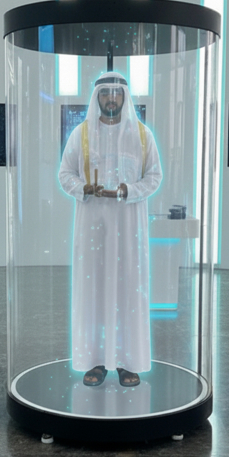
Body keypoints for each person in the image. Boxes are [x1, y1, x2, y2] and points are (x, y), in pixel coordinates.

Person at [59, 71, 162, 387]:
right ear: (97, 97)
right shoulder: (81, 134)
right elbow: (65, 174)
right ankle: (95, 361)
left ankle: (128, 363)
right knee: (93, 293)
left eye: (116, 93)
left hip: (129, 227)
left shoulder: (142, 135)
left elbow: (154, 176)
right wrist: (84, 188)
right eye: (105, 93)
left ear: (125, 97)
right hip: (92, 228)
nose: (111, 98)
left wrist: (128, 190)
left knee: (129, 291)